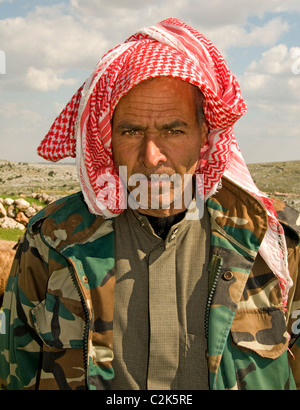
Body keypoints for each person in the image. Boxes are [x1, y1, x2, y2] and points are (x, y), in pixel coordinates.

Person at [0, 18, 300, 391]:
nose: (151, 155)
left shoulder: (278, 243)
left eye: (174, 130)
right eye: (131, 131)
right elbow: (14, 370)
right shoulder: (51, 242)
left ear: (205, 133)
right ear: (107, 136)